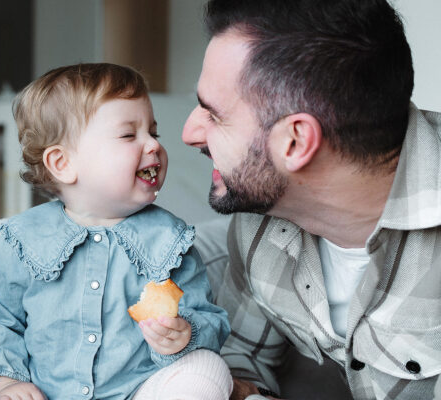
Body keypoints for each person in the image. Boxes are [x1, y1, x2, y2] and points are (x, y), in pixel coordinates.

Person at [182, 0, 441, 399]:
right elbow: (242, 358)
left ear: (296, 141)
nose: (189, 133)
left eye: (213, 115)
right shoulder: (257, 223)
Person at [0, 63, 232, 400]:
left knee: (208, 370)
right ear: (63, 164)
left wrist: (186, 333)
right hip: (47, 394)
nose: (152, 145)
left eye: (154, 132)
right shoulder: (22, 241)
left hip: (141, 391)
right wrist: (8, 382)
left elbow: (209, 317)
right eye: (128, 135)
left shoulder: (170, 241)